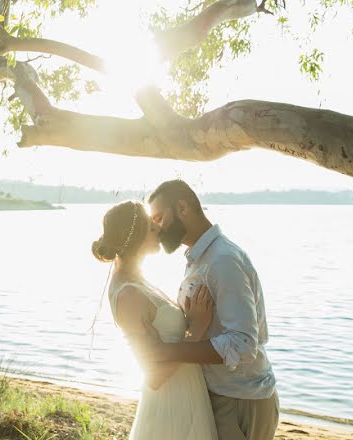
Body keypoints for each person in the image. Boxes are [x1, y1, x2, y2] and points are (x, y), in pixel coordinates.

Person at [136, 180, 279, 440]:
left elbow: (244, 343)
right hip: (216, 395)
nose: (156, 227)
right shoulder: (198, 259)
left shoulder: (222, 260)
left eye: (158, 217)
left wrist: (166, 352)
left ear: (182, 207)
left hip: (238, 400)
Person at [92, 200, 218, 439]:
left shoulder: (139, 280)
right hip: (169, 408)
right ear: (136, 238)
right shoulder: (128, 294)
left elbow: (168, 339)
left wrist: (188, 320)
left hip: (187, 395)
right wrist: (197, 328)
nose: (159, 229)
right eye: (151, 227)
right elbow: (155, 376)